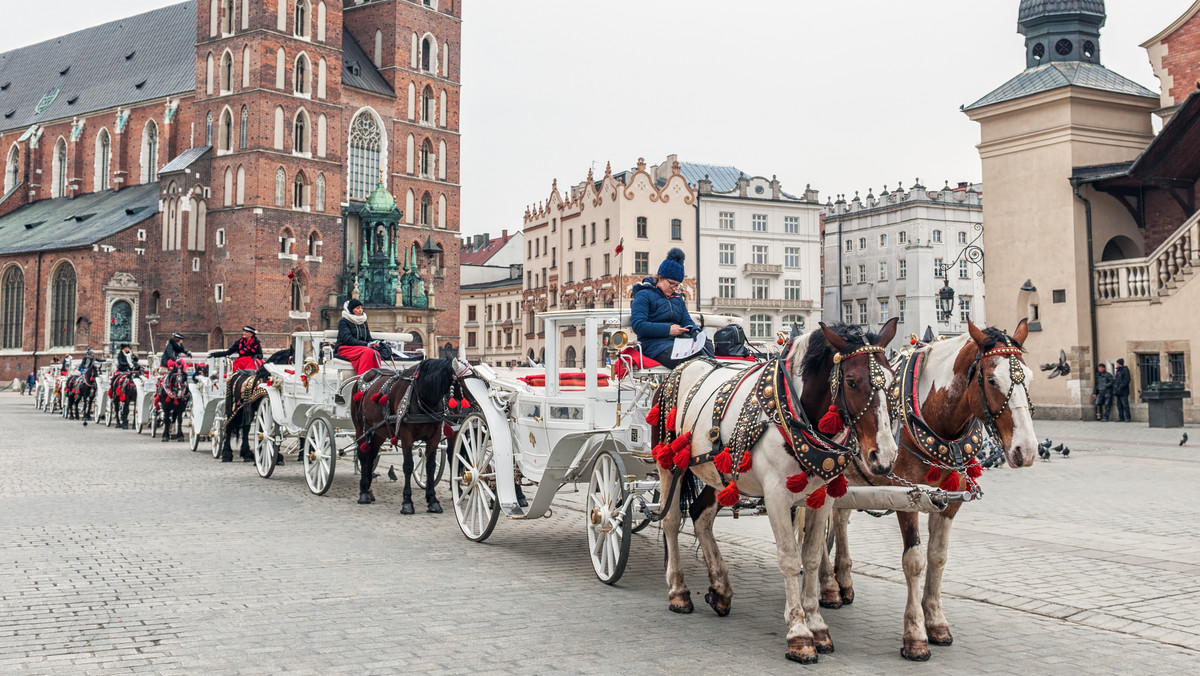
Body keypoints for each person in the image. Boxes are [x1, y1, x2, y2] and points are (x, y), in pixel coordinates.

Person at [630, 248, 710, 369]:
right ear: (660, 278)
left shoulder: (677, 298)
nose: (674, 288)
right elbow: (638, 325)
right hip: (654, 346)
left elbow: (686, 320)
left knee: (707, 345)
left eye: (677, 285)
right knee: (693, 362)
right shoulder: (644, 294)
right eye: (671, 283)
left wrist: (694, 331)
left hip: (677, 343)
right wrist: (668, 329)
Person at [335, 299, 384, 375]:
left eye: (361, 308)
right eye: (357, 308)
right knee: (368, 351)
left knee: (375, 352)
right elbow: (347, 339)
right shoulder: (343, 321)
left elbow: (368, 338)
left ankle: (375, 378)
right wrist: (366, 345)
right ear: (352, 310)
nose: (360, 310)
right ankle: (363, 379)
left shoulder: (363, 321)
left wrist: (375, 343)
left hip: (361, 348)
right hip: (345, 348)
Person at [1113, 358, 1131, 422]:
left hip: (1123, 391)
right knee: (1119, 405)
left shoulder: (1125, 370)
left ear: (1120, 364)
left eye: (1117, 363)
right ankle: (1121, 417)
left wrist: (1121, 386)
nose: (1116, 364)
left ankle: (1128, 417)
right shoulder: (1118, 370)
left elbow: (1126, 380)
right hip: (1118, 390)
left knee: (1125, 404)